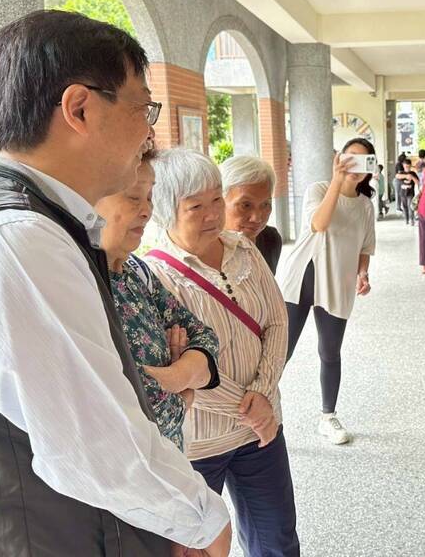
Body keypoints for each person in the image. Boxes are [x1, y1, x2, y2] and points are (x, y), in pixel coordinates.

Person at [0, 10, 230, 556]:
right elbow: (93, 444)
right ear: (79, 108)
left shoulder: (47, 225)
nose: (150, 130)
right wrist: (202, 521)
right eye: (143, 108)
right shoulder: (22, 238)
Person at [145, 148, 299, 557]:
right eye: (197, 206)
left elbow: (277, 322)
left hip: (260, 433)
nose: (213, 214)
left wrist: (263, 395)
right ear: (166, 208)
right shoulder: (156, 274)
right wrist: (250, 407)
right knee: (197, 548)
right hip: (198, 443)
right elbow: (176, 370)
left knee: (277, 541)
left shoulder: (245, 250)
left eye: (217, 200)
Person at [96, 146, 221, 451]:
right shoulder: (79, 282)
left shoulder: (137, 271)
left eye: (150, 197)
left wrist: (178, 375)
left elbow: (205, 337)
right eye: (134, 197)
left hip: (170, 466)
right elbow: (139, 407)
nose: (147, 210)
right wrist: (182, 395)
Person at [278, 137, 376, 445]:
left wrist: (363, 272)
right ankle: (262, 406)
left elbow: (365, 246)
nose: (355, 167)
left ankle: (328, 416)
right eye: (351, 158)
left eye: (364, 161)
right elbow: (318, 223)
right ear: (339, 158)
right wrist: (336, 181)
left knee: (330, 351)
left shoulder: (365, 205)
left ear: (370, 168)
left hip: (338, 281)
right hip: (304, 276)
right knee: (281, 350)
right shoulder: (319, 189)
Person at [219, 155, 283, 274]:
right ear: (219, 200)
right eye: (246, 205)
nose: (257, 218)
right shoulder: (206, 250)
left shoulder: (270, 240)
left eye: (265, 204)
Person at [396, 159, 420, 226]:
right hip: (402, 193)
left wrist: (412, 177)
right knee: (405, 207)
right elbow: (397, 176)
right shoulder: (401, 173)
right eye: (406, 166)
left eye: (408, 166)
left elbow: (418, 182)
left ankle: (412, 220)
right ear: (403, 166)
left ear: (410, 166)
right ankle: (406, 220)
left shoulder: (413, 173)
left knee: (411, 207)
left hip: (410, 193)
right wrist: (406, 176)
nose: (407, 168)